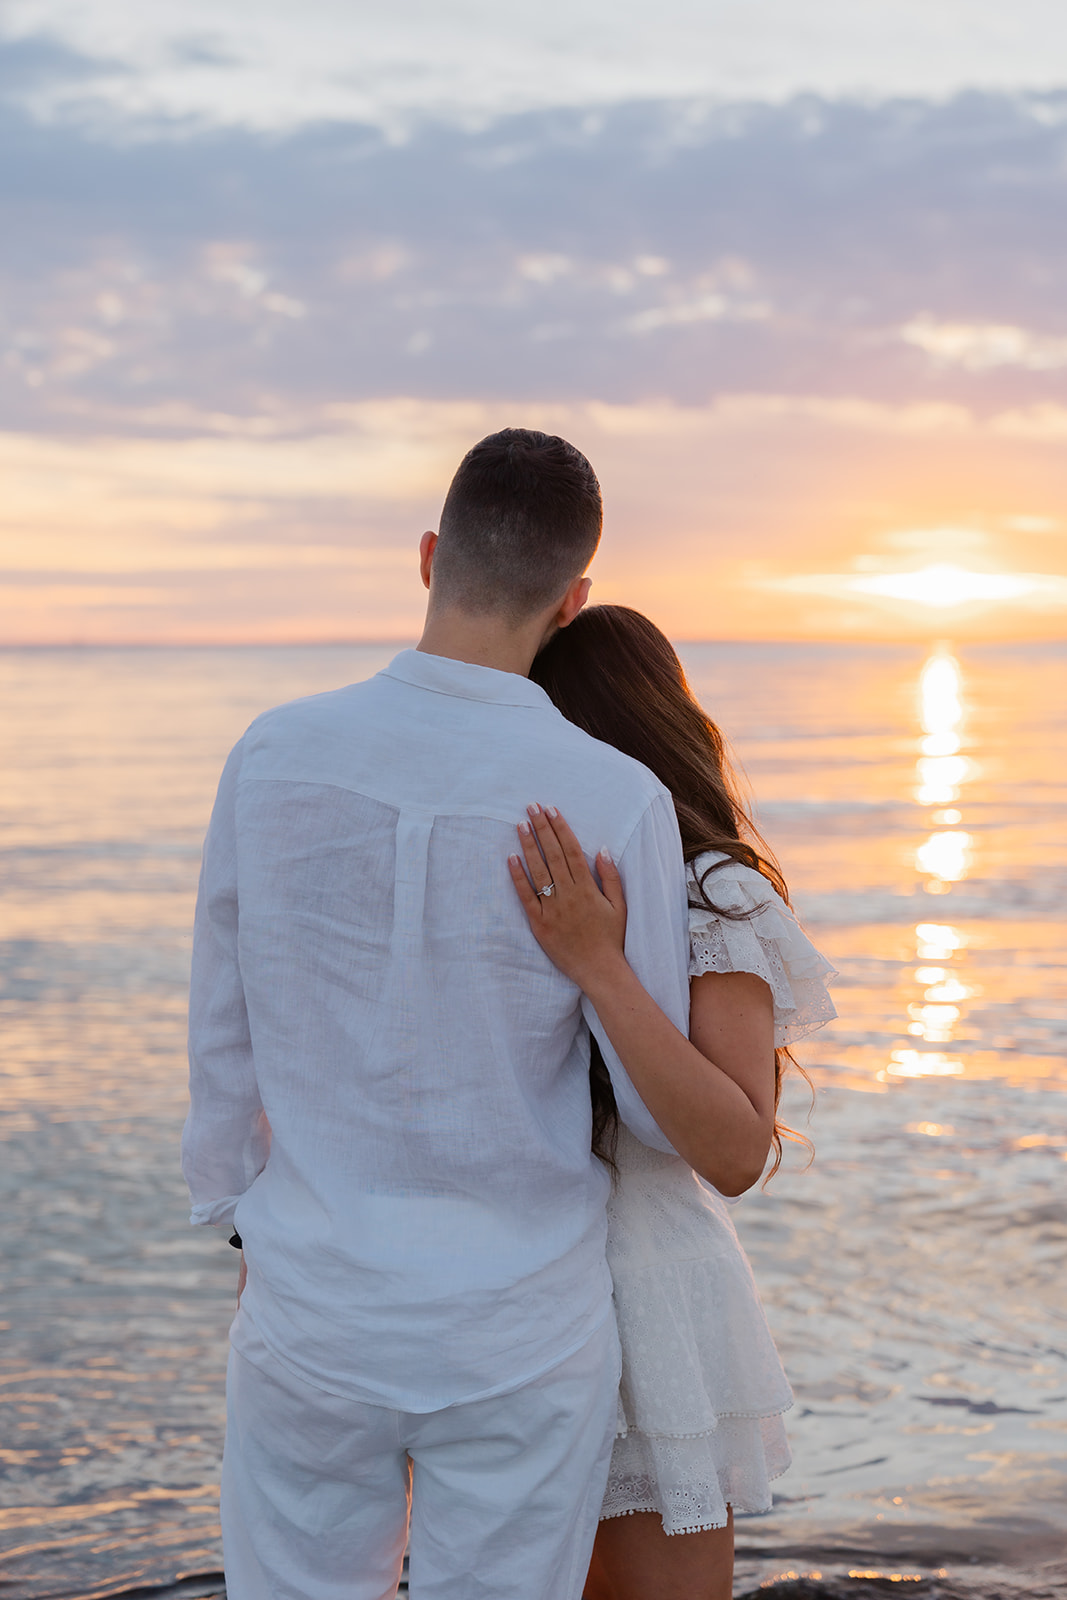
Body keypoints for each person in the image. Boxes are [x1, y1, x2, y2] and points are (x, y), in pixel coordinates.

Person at [182, 430, 715, 1600]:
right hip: (520, 1327)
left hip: (312, 1304)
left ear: (427, 555)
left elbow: (222, 1032)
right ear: (571, 600)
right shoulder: (613, 798)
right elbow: (653, 1110)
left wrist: (241, 1224)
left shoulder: (270, 755)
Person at [508, 604, 837, 1600]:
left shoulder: (712, 895)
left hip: (647, 1303)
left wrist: (599, 968)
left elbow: (737, 1150)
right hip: (508, 1293)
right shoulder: (516, 874)